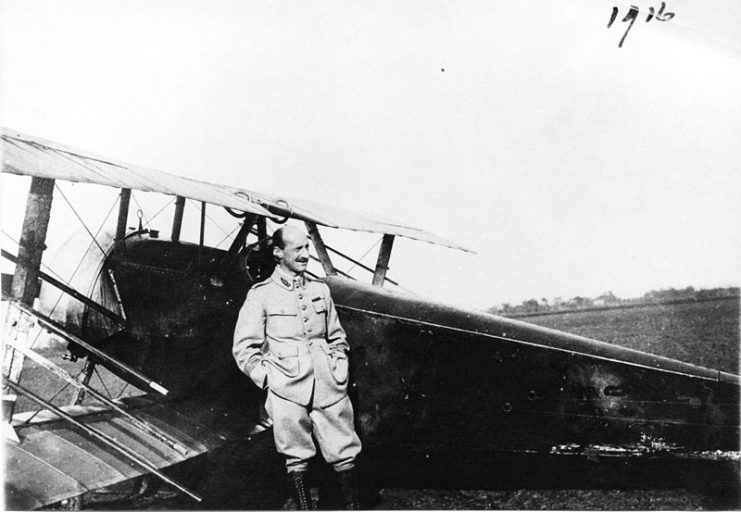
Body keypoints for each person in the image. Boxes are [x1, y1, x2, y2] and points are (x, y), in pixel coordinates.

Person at [233, 225, 362, 510]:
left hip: (329, 384)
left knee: (344, 452)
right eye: (298, 249)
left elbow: (337, 336)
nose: (306, 255)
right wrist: (269, 380)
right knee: (296, 456)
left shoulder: (320, 290)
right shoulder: (261, 295)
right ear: (278, 253)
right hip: (286, 388)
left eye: (307, 248)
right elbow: (244, 348)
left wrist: (338, 367)